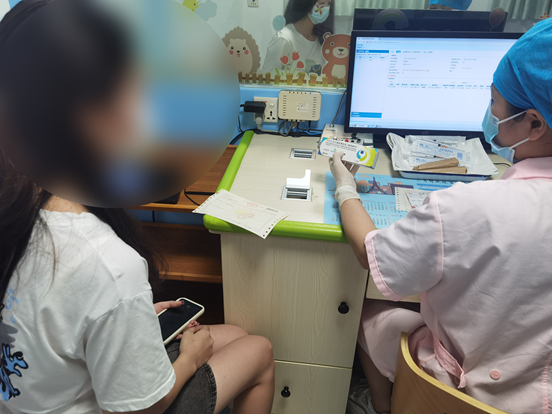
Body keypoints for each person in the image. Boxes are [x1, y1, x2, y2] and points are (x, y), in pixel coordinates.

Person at [0, 1, 275, 413]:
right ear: (92, 114)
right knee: (259, 349)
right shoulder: (107, 264)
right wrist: (188, 360)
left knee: (234, 334)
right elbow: (145, 407)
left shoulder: (19, 207)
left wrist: (134, 316)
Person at [330, 18, 552, 414]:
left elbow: (369, 252)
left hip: (454, 396)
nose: (489, 113)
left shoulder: (468, 208)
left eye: (494, 101)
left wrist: (345, 186)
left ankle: (381, 405)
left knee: (365, 311)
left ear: (534, 123)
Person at [261, 0, 334, 76]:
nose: (326, 8)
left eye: (329, 4)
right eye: (321, 3)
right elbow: (267, 77)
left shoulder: (322, 41)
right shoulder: (283, 39)